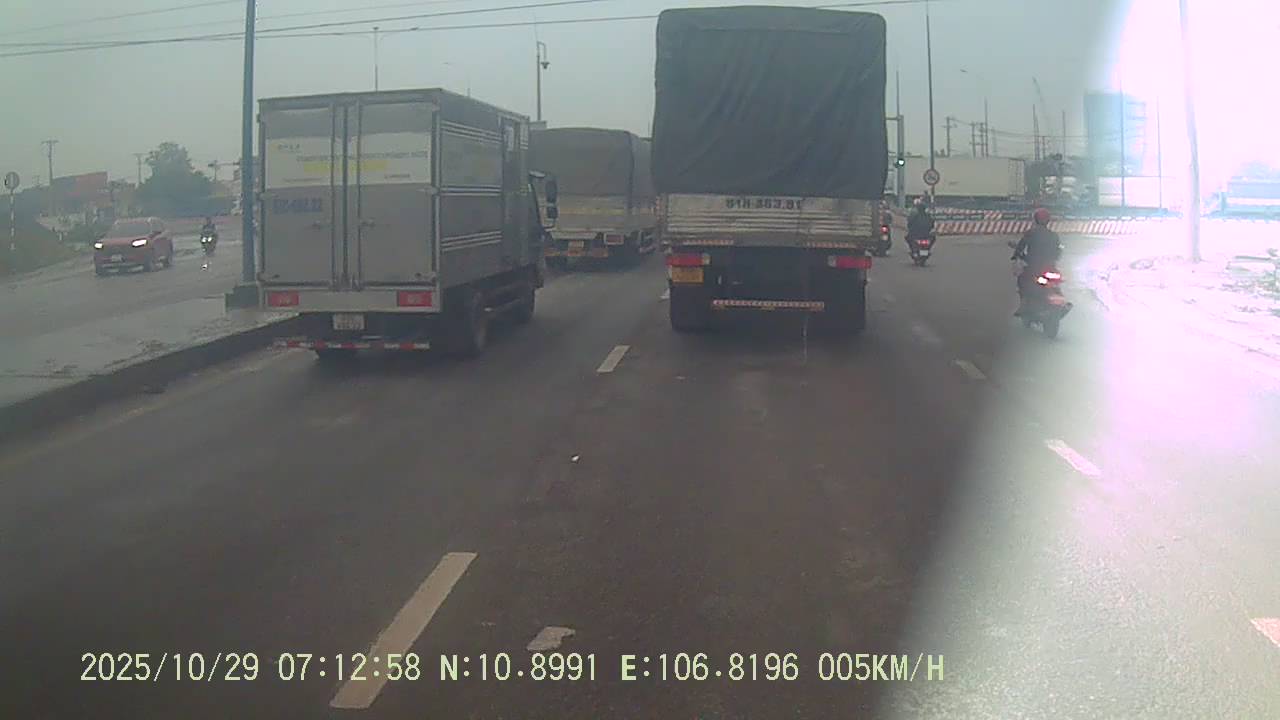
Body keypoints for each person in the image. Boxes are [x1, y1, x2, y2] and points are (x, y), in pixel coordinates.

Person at [1011, 207, 1063, 314]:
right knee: (1056, 282)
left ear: (1035, 220)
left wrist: (1016, 255)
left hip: (1033, 267)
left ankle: (1023, 304)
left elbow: (1021, 247)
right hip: (1050, 267)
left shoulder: (1030, 233)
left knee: (1021, 280)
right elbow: (1058, 252)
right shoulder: (1053, 235)